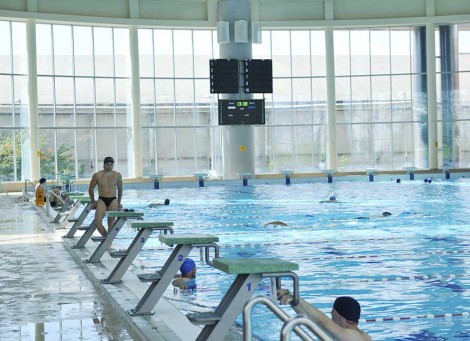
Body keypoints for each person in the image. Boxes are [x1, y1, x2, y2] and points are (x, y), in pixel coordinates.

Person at [277, 289, 371, 341]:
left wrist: (297, 298)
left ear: (339, 316)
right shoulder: (346, 333)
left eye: (333, 311)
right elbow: (310, 318)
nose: (330, 313)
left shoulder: (353, 337)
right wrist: (291, 298)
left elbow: (323, 321)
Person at [88, 156, 123, 237]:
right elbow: (91, 189)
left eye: (111, 164)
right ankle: (107, 238)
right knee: (97, 221)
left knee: (111, 221)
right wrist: (93, 202)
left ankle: (108, 244)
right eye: (107, 164)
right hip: (102, 199)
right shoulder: (97, 175)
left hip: (113, 200)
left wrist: (119, 202)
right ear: (104, 165)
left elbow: (120, 189)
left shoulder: (117, 175)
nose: (109, 166)